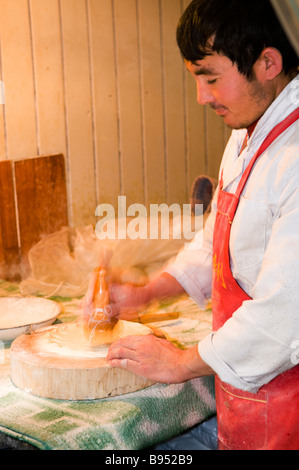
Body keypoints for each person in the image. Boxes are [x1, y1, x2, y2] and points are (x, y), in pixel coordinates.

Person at [83, 0, 299, 450]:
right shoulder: (246, 136)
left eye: (210, 77)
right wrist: (147, 293)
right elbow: (215, 245)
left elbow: (285, 315)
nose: (202, 96)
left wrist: (181, 362)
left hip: (287, 404)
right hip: (245, 396)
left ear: (267, 62)